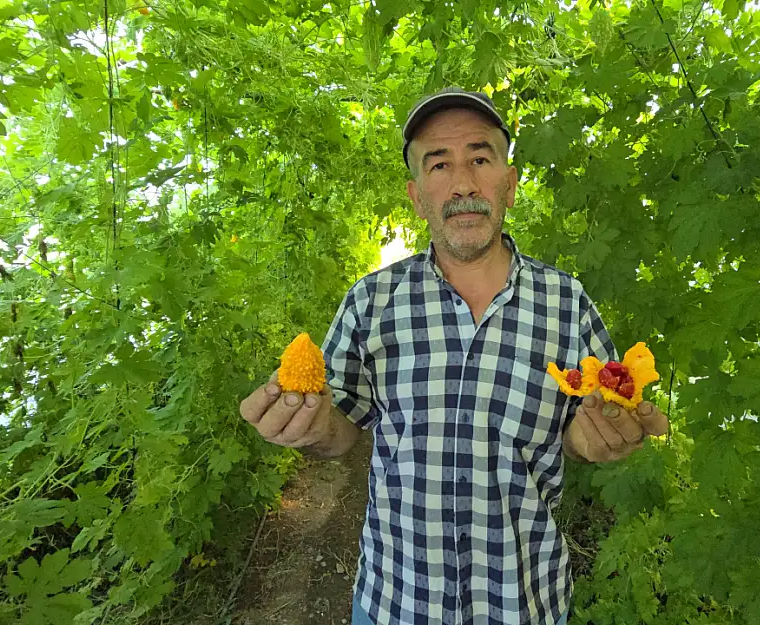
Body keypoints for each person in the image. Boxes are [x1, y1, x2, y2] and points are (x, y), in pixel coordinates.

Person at [239, 87, 670, 625]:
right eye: (438, 165)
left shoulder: (568, 304)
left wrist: (593, 439)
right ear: (416, 196)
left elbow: (591, 425)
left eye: (481, 158)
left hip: (524, 602)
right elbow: (341, 430)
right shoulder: (370, 304)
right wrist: (309, 425)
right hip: (396, 602)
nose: (464, 184)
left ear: (509, 185)